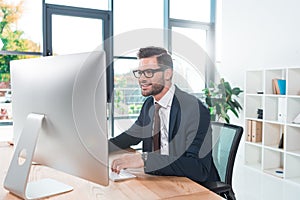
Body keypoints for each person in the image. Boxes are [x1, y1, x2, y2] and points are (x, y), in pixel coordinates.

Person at [109, 46, 220, 184]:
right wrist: (98, 149)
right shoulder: (149, 105)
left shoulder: (194, 110)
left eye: (148, 72)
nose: (142, 79)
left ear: (167, 74)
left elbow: (197, 168)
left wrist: (145, 160)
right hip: (160, 180)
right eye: (140, 73)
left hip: (192, 186)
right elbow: (130, 136)